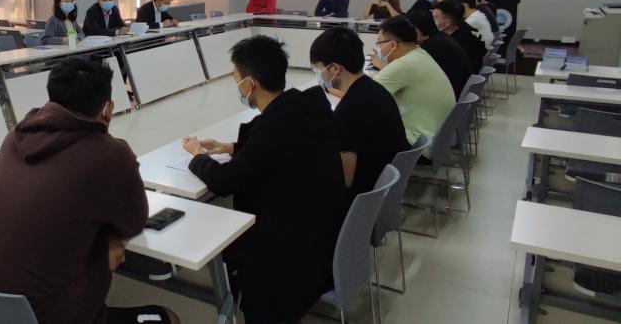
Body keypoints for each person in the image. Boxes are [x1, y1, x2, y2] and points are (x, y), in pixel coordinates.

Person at [0, 57, 179, 324]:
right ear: (108, 109)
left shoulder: (15, 137)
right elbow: (134, 221)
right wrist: (111, 236)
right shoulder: (110, 154)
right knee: (168, 317)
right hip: (45, 318)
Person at [181, 36, 346, 323]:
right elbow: (276, 148)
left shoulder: (275, 125)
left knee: (220, 235)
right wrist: (230, 147)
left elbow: (224, 181)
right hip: (319, 233)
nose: (236, 86)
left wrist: (197, 155)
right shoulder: (303, 106)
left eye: (236, 79)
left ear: (250, 84)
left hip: (289, 253)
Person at [309, 27, 409, 199]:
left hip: (362, 198)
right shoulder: (374, 89)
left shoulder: (350, 109)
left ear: (334, 68)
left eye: (319, 68)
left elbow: (344, 180)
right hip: (383, 188)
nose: (318, 74)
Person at [370, 17, 455, 151]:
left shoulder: (404, 64)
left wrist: (333, 87)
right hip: (435, 141)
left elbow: (364, 95)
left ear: (393, 45)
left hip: (417, 146)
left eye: (379, 43)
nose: (379, 48)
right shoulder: (419, 54)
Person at [406, 10, 473, 99]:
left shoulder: (431, 46)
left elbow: (413, 73)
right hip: (462, 90)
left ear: (418, 30)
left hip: (454, 95)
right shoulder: (440, 37)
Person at [433, 0, 486, 74]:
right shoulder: (463, 30)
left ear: (447, 22)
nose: (431, 20)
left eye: (435, 17)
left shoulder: (456, 42)